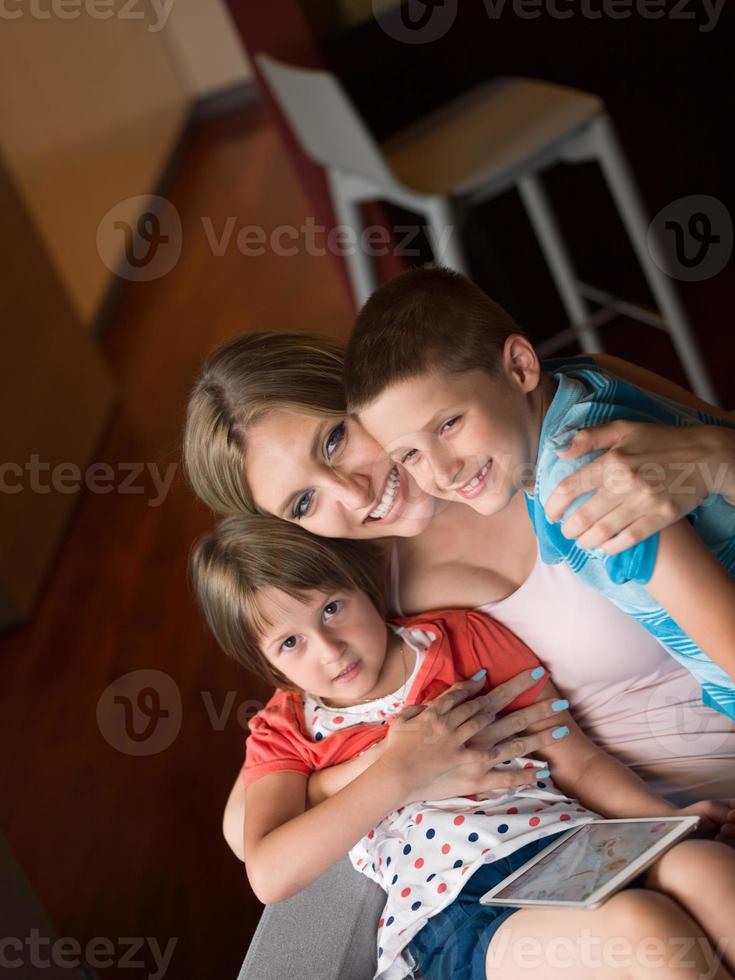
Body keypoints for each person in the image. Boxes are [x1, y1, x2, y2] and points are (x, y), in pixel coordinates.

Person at [182, 331, 735, 866]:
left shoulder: (540, 414)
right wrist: (398, 765)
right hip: (664, 824)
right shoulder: (367, 610)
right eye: (304, 502)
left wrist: (716, 453)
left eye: (334, 440)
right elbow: (245, 829)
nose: (354, 493)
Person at [191, 514, 735, 980]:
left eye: (332, 608)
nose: (330, 650)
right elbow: (270, 873)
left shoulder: (462, 639)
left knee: (706, 871)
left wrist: (666, 820)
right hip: (457, 912)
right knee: (643, 928)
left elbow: (578, 759)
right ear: (268, 665)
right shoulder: (285, 729)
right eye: (291, 643)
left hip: (571, 845)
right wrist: (400, 771)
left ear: (363, 584)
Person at [344, 267, 735, 722]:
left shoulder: (582, 483)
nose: (443, 471)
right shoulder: (580, 378)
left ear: (519, 367)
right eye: (409, 454)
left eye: (449, 425)